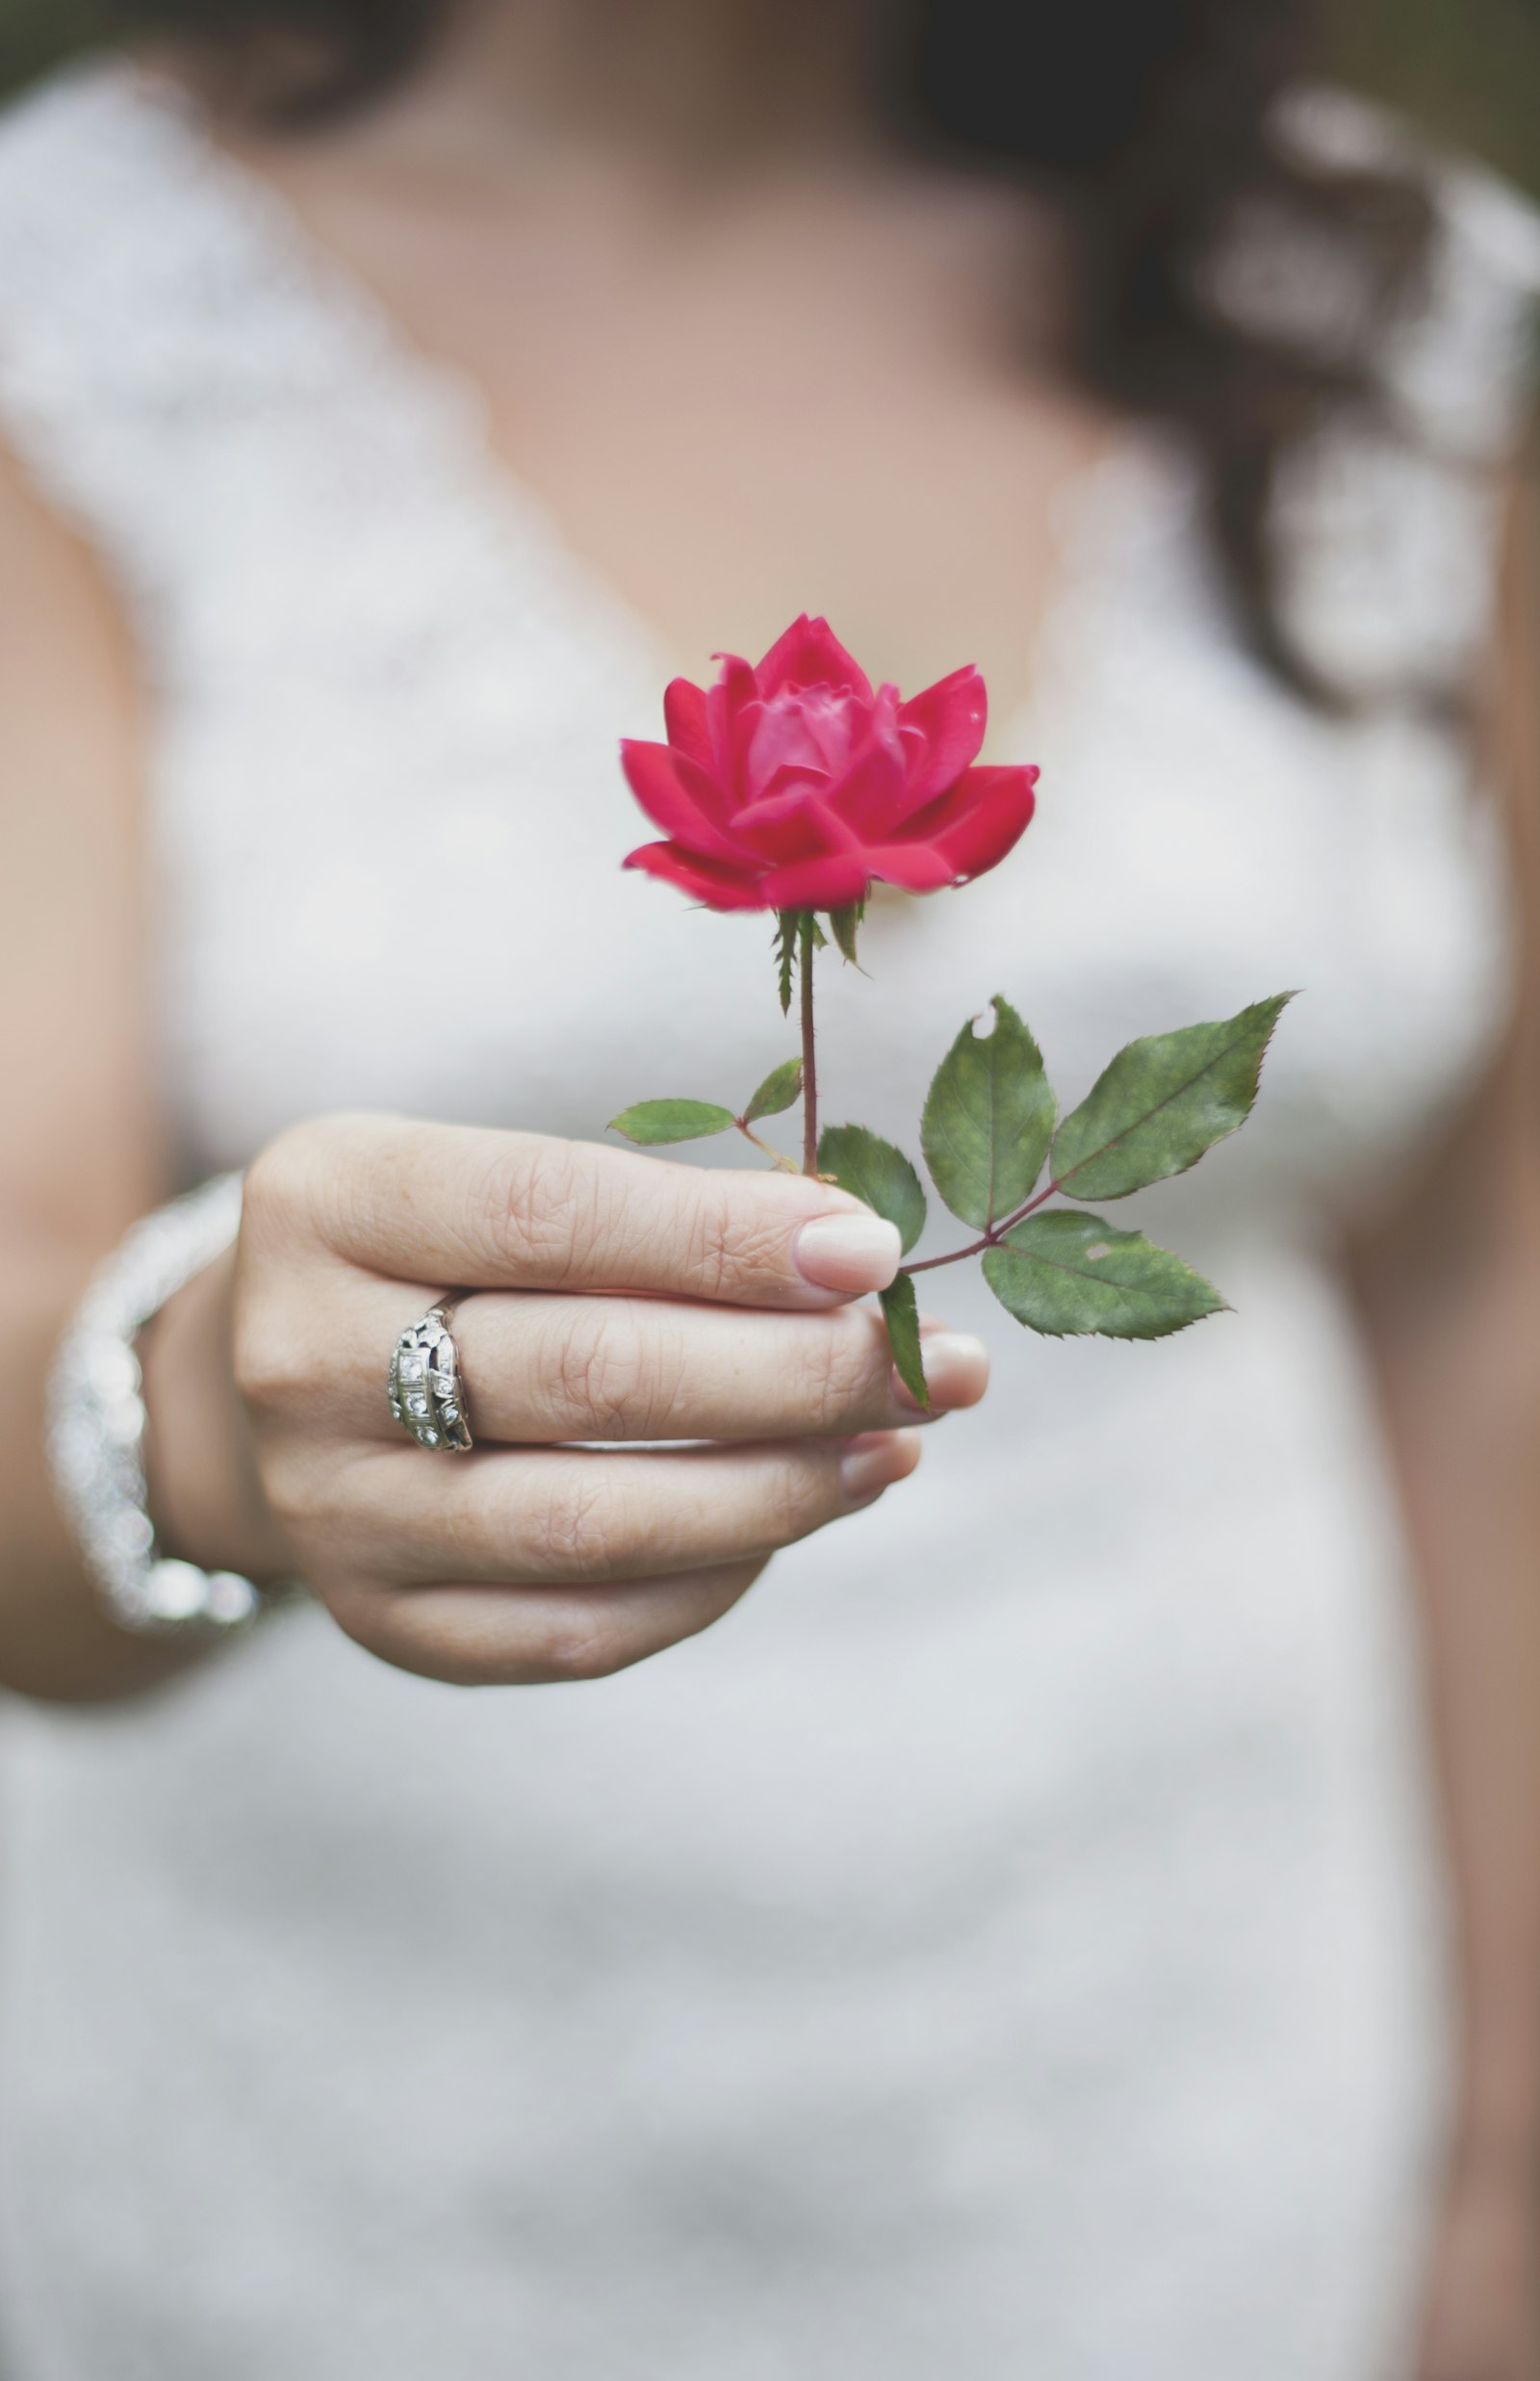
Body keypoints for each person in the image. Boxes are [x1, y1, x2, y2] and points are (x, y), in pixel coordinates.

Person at [1, 1, 1537, 2372]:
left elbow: (1488, 1308)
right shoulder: (81, 319)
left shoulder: (1380, 308)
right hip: (369, 2151)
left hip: (1209, 2083)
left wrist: (1505, 2143)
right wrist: (214, 1412)